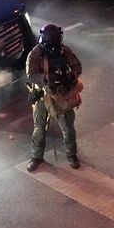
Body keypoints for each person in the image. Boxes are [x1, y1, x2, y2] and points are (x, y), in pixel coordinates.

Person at [25, 24, 83, 172]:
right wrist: (47, 78)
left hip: (61, 94)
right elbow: (31, 75)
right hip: (44, 94)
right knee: (39, 129)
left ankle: (72, 155)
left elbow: (77, 67)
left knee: (68, 129)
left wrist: (68, 77)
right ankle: (36, 157)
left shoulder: (64, 51)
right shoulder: (36, 54)